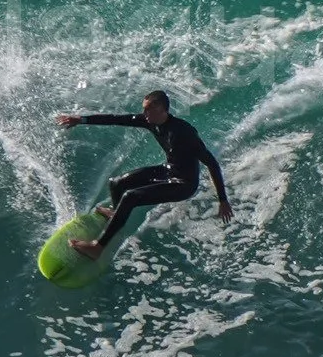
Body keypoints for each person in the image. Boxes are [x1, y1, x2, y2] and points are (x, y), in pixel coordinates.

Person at [55, 91, 232, 258]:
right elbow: (117, 119)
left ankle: (98, 248)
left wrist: (222, 200)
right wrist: (82, 119)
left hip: (184, 184)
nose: (144, 113)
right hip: (169, 169)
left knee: (130, 196)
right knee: (116, 183)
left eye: (148, 109)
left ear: (162, 109)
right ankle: (117, 215)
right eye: (144, 108)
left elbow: (212, 164)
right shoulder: (150, 121)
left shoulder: (184, 132)